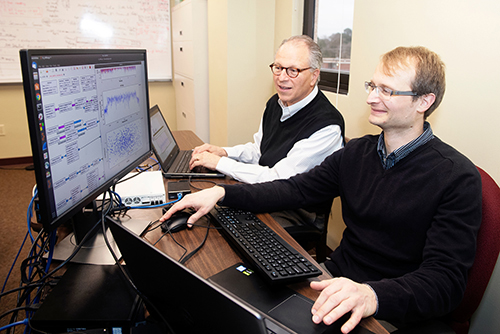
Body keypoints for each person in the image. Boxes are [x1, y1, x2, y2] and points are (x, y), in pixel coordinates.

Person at [160, 46, 482, 333]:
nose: (371, 97)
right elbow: (292, 189)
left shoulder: (456, 177)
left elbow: (445, 283)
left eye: (386, 90)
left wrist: (371, 295)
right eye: (372, 86)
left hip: (390, 310)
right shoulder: (356, 153)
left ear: (424, 101)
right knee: (230, 311)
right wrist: (222, 194)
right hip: (333, 282)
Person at [190, 35, 345, 237]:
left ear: (314, 76)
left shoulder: (327, 126)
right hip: (267, 191)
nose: (282, 77)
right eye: (278, 68)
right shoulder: (276, 103)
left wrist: (220, 163)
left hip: (298, 211)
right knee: (205, 209)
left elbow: (278, 180)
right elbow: (259, 150)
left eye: (293, 70)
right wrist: (224, 152)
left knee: (219, 229)